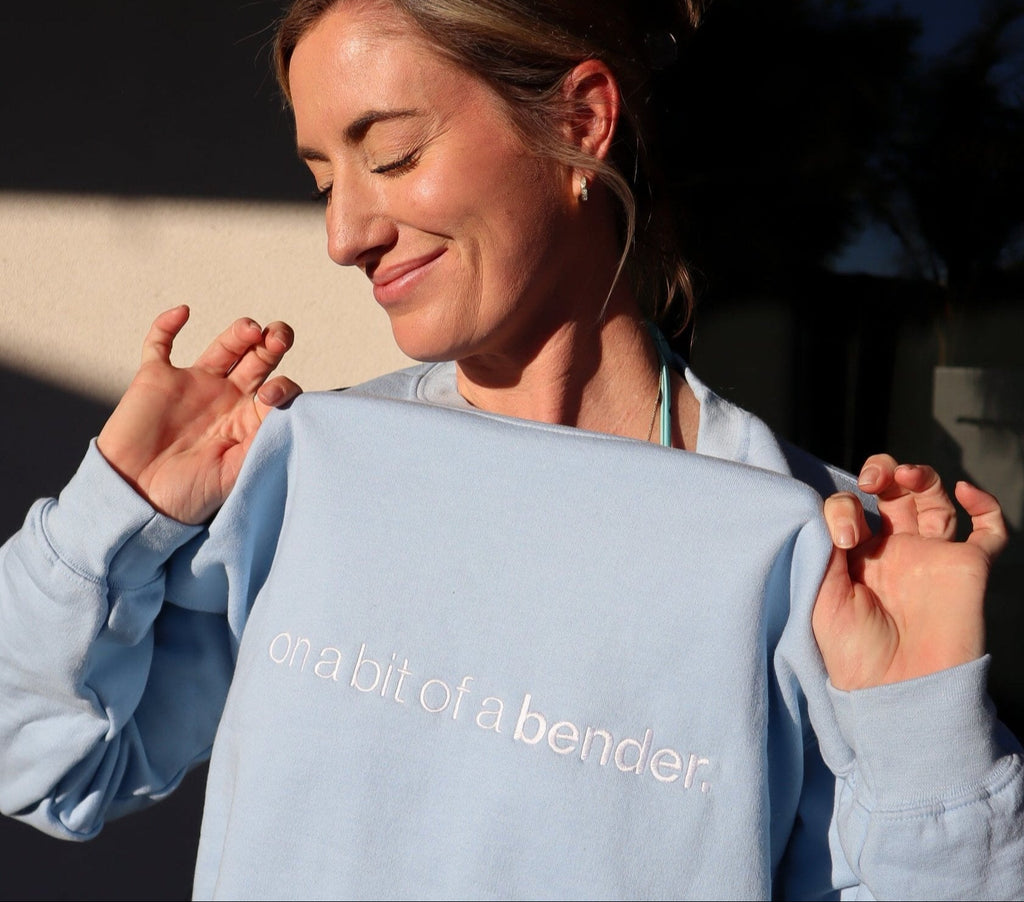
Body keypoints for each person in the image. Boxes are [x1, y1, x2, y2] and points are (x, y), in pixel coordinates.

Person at [1, 0, 1021, 898]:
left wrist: (924, 724)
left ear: (580, 121)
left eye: (391, 154)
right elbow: (42, 765)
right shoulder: (309, 473)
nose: (343, 235)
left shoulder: (816, 559)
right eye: (321, 182)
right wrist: (111, 509)